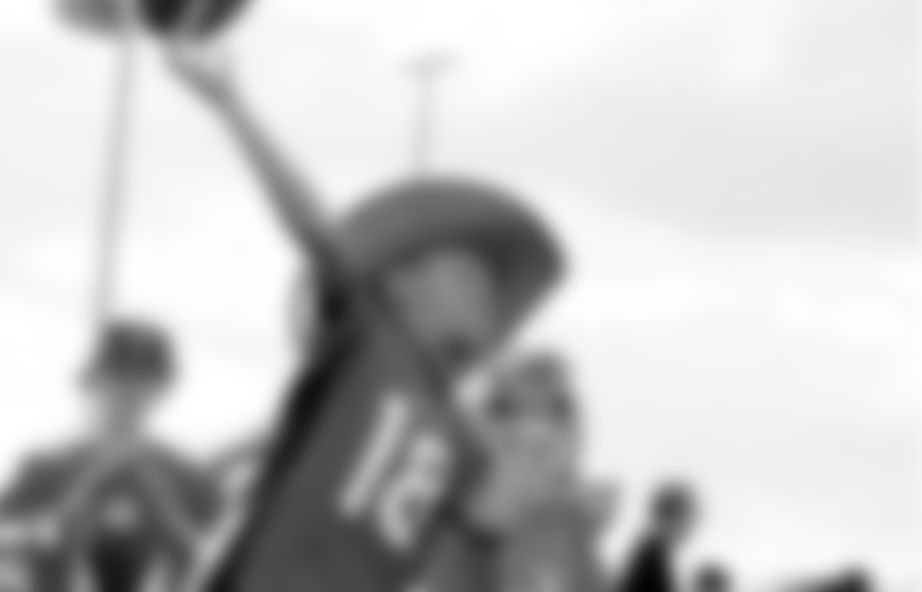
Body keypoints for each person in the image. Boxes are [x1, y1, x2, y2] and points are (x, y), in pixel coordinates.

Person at [161, 38, 566, 592]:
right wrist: (232, 104)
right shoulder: (370, 335)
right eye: (464, 274)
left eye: (492, 291)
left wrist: (495, 519)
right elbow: (313, 225)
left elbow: (463, 569)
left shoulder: (466, 443)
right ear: (399, 282)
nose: (484, 296)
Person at [0, 319, 221, 592]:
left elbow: (219, 554)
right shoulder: (47, 467)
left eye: (144, 382)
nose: (131, 393)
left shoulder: (192, 479)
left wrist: (172, 525)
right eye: (118, 379)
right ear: (91, 383)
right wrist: (51, 526)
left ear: (161, 391)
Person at [471, 352, 614, 592]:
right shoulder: (499, 419)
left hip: (525, 531)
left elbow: (562, 464)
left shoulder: (561, 430)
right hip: (501, 526)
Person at [616, 482, 699, 592]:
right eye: (687, 519)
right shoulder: (651, 556)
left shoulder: (655, 552)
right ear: (671, 518)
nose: (689, 527)